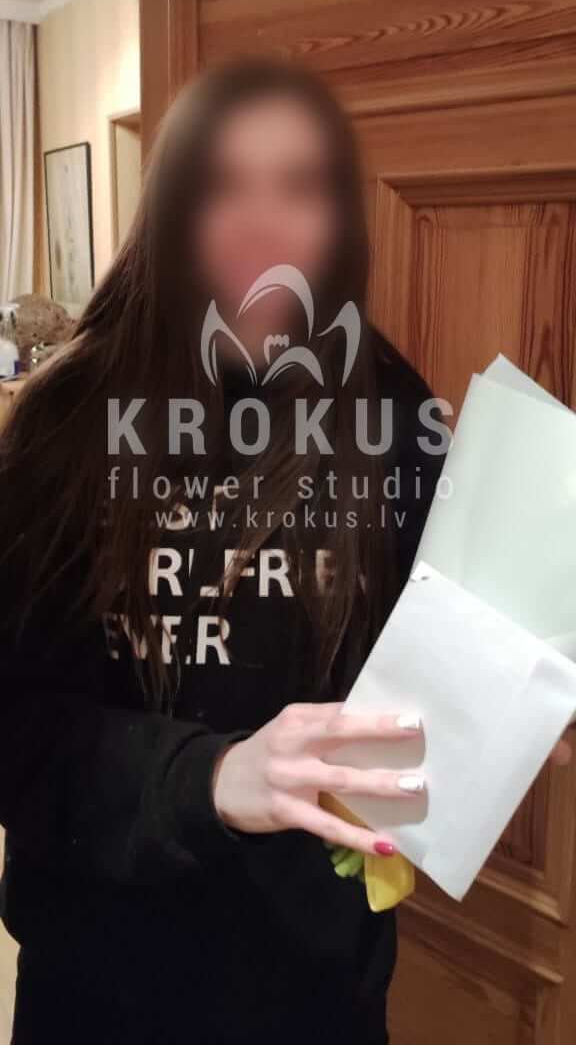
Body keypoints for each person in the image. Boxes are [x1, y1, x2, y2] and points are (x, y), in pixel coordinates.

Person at [0, 59, 564, 1044]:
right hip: (100, 988)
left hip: (318, 991)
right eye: (224, 184)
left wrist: (516, 689)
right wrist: (213, 777)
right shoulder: (63, 425)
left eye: (300, 186)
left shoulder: (391, 411)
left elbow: (425, 658)